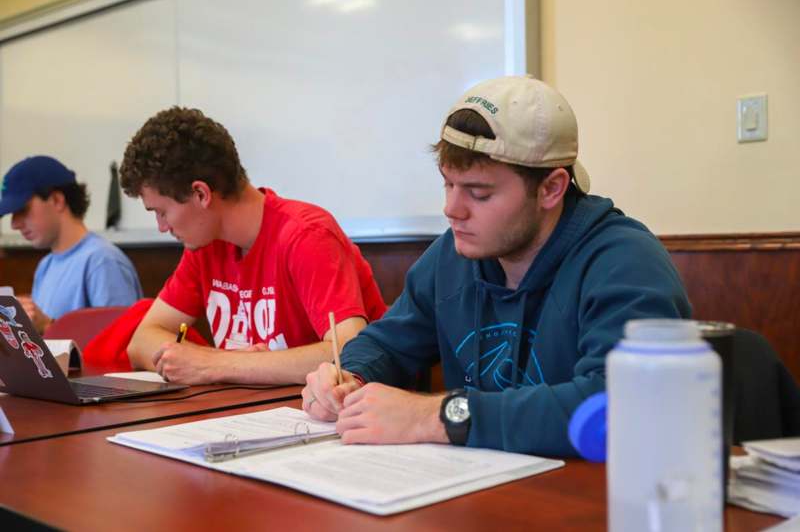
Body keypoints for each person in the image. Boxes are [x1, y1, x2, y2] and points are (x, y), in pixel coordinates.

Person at [302, 76, 691, 456]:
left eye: (479, 193)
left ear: (551, 188)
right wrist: (347, 377)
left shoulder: (625, 262)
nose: (452, 209)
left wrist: (435, 417)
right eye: (448, 184)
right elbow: (386, 343)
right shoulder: (451, 256)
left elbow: (625, 403)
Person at [119, 107, 387, 385]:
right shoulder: (205, 245)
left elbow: (348, 353)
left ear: (201, 194)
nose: (162, 227)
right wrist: (218, 362)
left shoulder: (306, 235)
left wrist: (214, 364)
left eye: (162, 212)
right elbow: (142, 341)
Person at [0, 156, 143, 333]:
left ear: (57, 200)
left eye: (22, 209)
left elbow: (120, 342)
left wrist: (47, 326)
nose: (14, 224)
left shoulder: (103, 261)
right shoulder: (45, 266)